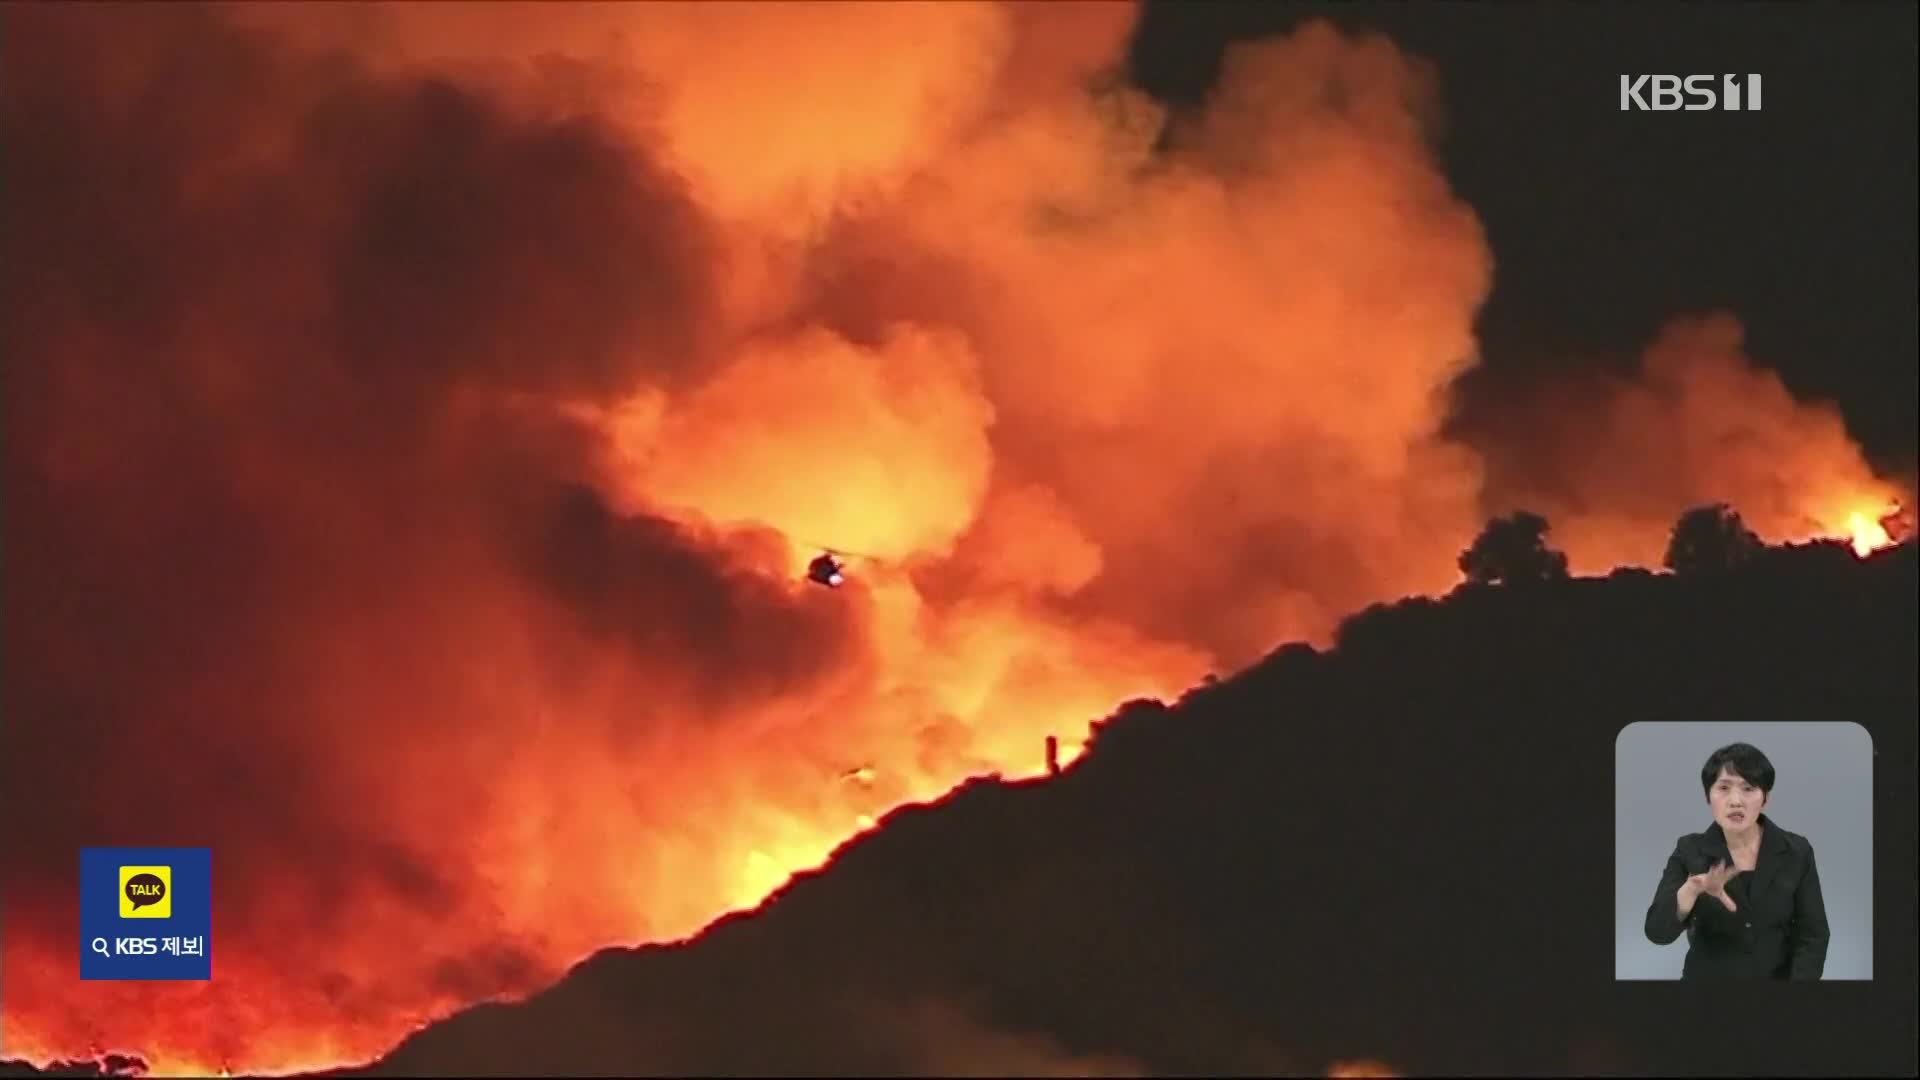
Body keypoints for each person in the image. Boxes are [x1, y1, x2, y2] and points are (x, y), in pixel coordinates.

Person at [1643, 742, 1830, 979]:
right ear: (1708, 797)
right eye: (1723, 788)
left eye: (1748, 788)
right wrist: (1690, 891)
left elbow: (1813, 934)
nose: (1736, 801)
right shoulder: (1689, 850)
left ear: (1765, 798)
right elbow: (1657, 933)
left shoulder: (1796, 851)